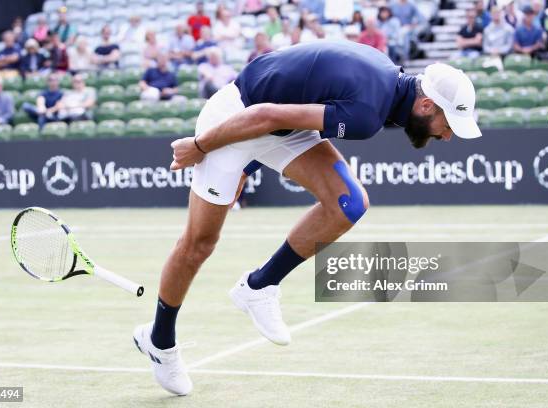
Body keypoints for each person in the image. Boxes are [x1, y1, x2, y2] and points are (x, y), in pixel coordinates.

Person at [132, 41, 481, 396]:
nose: (448, 135)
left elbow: (288, 101)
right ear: (425, 105)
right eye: (448, 123)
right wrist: (202, 146)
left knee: (349, 203)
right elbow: (266, 114)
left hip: (278, 124)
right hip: (234, 119)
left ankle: (258, 286)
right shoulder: (368, 113)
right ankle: (159, 341)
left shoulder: (385, 77)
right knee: (199, 245)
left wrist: (248, 168)